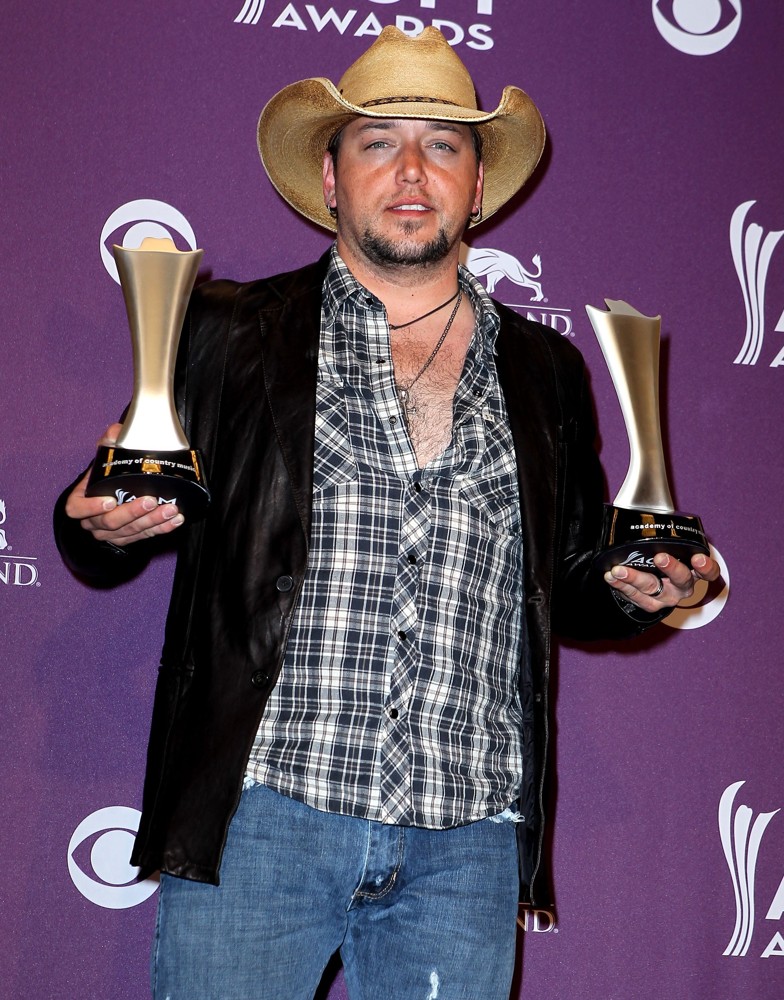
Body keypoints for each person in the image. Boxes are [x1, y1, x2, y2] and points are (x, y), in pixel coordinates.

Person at [54, 26, 719, 1000]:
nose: (411, 170)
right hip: (264, 818)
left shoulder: (546, 371)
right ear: (329, 176)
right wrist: (91, 523)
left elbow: (569, 582)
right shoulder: (230, 333)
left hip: (466, 845)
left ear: (479, 186)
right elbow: (119, 505)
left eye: (443, 145)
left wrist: (640, 586)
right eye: (377, 143)